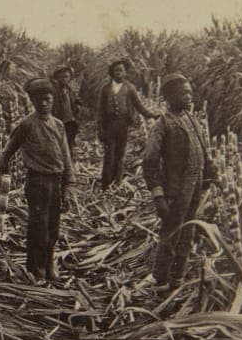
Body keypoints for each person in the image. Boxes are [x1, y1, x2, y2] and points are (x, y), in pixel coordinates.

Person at [0, 78, 74, 282]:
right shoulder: (27, 124)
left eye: (47, 99)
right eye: (38, 100)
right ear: (32, 101)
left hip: (56, 181)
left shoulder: (59, 125)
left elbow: (66, 156)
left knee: (53, 228)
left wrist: (69, 184)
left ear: (53, 100)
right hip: (37, 182)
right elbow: (9, 148)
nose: (43, 103)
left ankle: (49, 264)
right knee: (38, 227)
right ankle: (35, 268)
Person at [141, 73, 217, 290]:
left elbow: (204, 150)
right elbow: (150, 161)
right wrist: (158, 194)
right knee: (171, 231)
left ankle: (178, 277)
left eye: (190, 93)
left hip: (196, 182)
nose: (188, 97)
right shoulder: (163, 124)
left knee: (188, 230)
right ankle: (160, 277)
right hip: (177, 188)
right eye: (183, 93)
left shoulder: (192, 119)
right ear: (169, 96)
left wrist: (213, 175)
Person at [97, 58, 159, 189]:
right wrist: (100, 129)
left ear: (125, 72)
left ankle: (117, 182)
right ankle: (106, 183)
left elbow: (139, 105)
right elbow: (100, 111)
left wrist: (150, 114)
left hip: (123, 125)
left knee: (120, 154)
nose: (118, 73)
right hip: (109, 125)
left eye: (121, 70)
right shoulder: (105, 89)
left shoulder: (130, 88)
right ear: (112, 73)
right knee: (109, 155)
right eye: (116, 71)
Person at [51, 65, 83, 151]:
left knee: (69, 144)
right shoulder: (53, 91)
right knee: (58, 144)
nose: (64, 79)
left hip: (70, 122)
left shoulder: (70, 90)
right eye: (61, 77)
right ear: (57, 77)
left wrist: (77, 106)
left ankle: (69, 162)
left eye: (66, 77)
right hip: (57, 121)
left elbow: (77, 100)